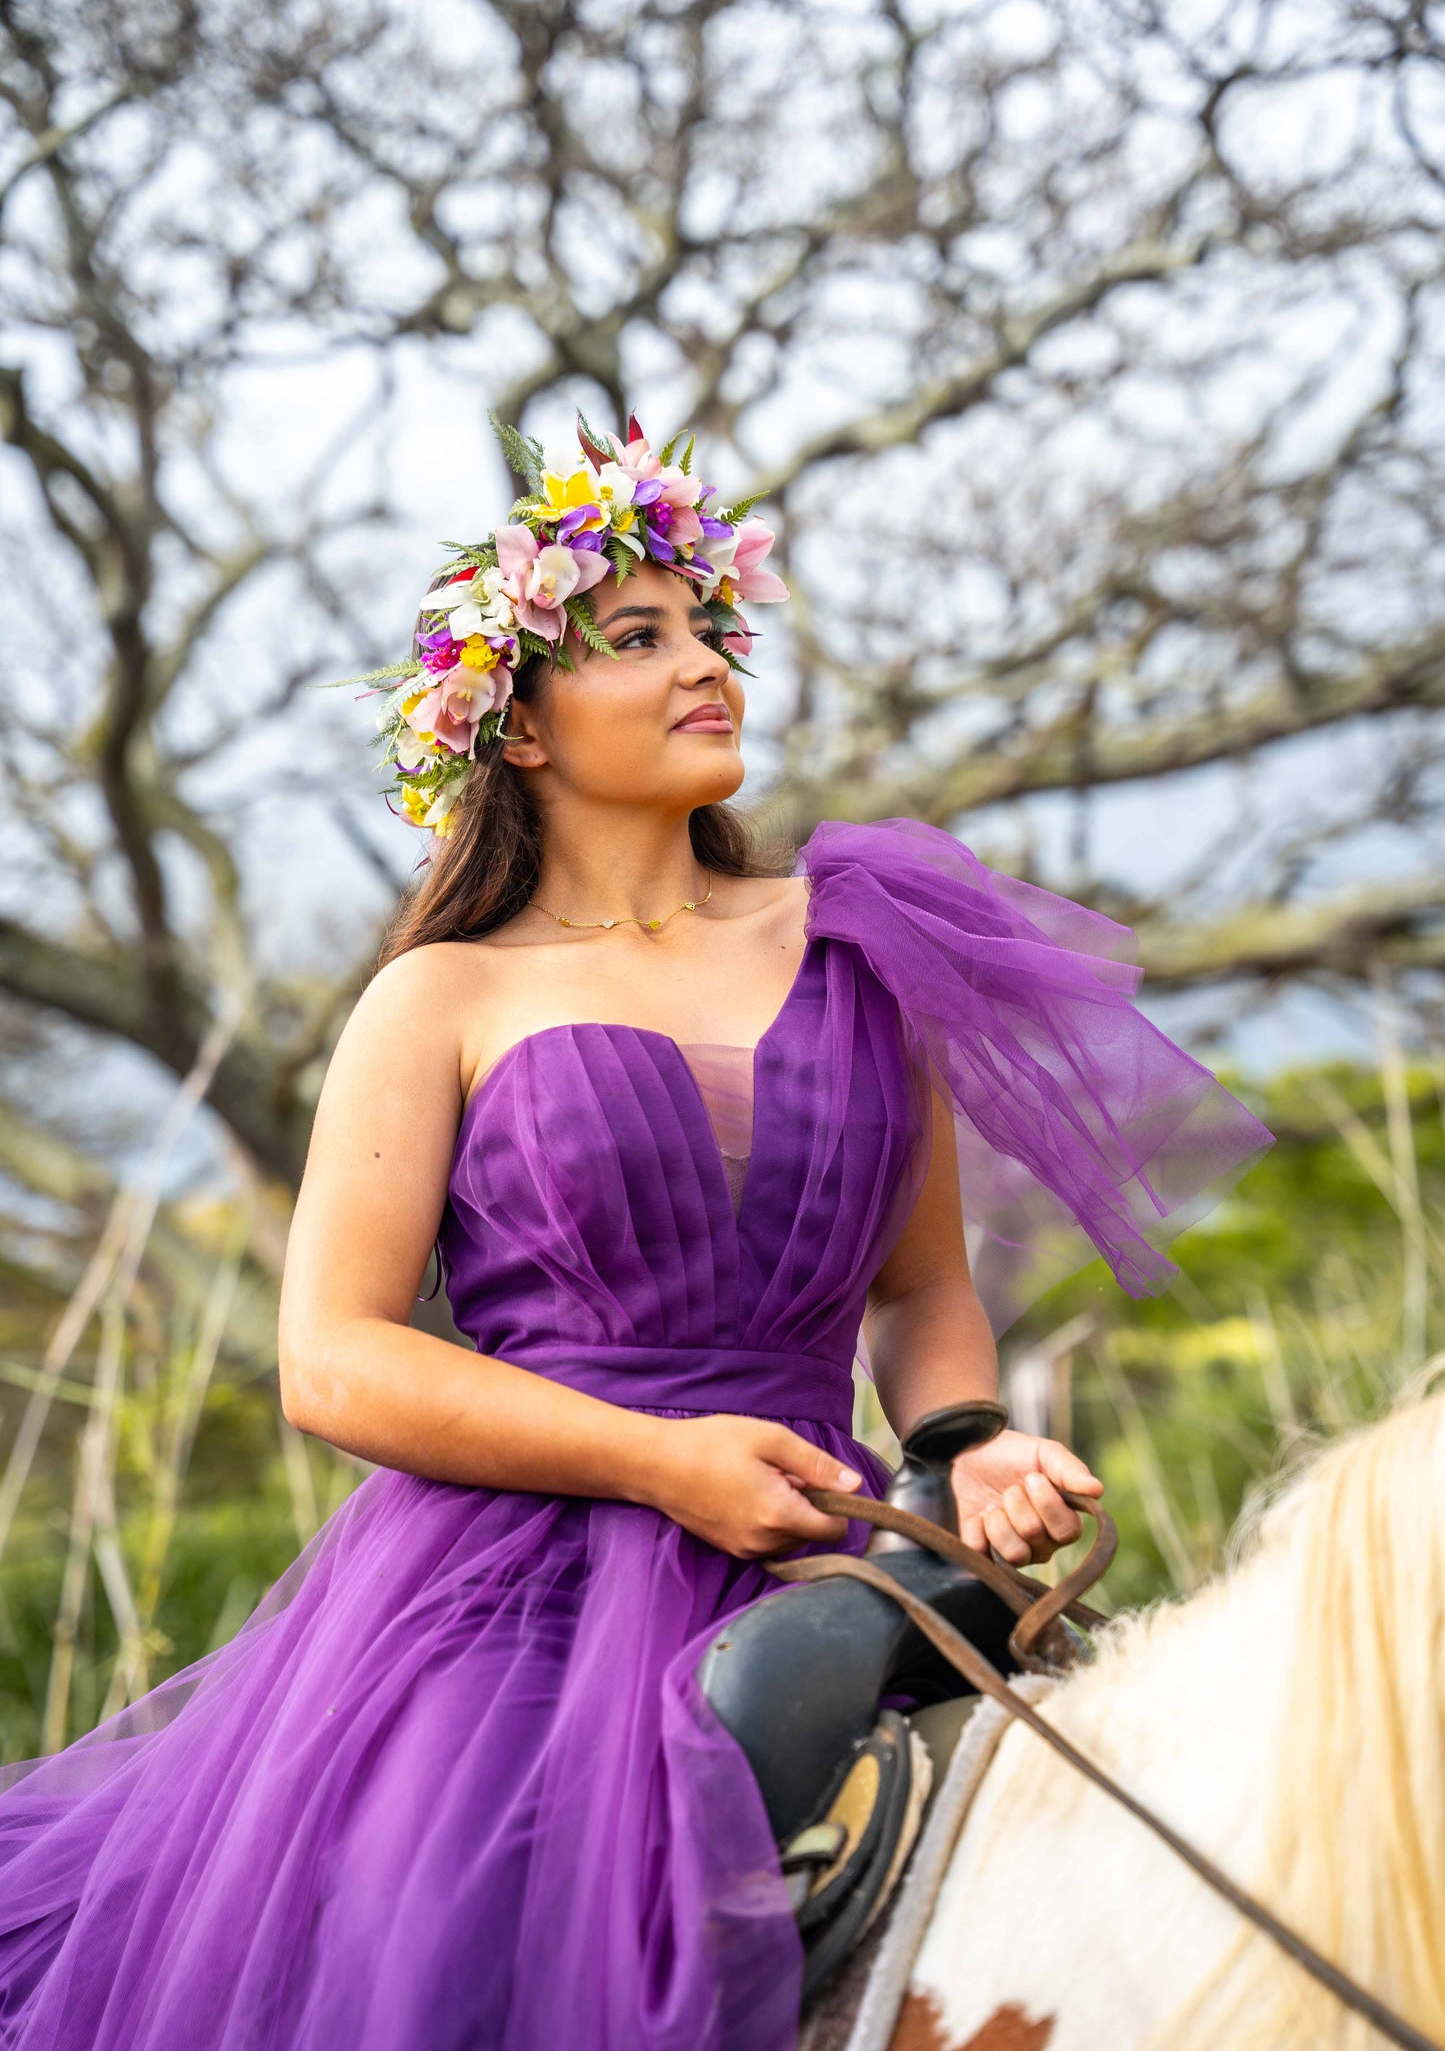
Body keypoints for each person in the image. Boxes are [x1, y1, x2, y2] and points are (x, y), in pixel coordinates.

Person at [0, 417, 1273, 2050]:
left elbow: (924, 1285)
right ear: (515, 726)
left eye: (711, 633)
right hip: (505, 1581)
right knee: (457, 1919)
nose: (706, 667)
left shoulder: (864, 936)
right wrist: (653, 1462)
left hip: (821, 1534)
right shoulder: (439, 998)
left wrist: (964, 1444)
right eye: (637, 639)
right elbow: (332, 1361)